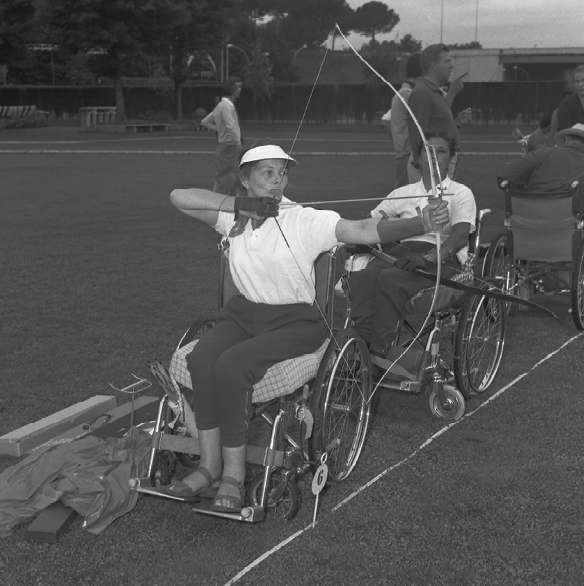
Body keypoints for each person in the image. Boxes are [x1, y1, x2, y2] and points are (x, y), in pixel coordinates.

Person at [167, 142, 450, 512]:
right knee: (202, 358)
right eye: (267, 173)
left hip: (297, 322)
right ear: (245, 179)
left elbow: (363, 229)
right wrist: (240, 206)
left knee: (231, 366)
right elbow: (178, 197)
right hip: (241, 316)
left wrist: (422, 223)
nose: (277, 182)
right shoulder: (232, 218)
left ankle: (232, 476)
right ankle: (209, 466)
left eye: (282, 173)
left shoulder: (303, 218)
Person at [349, 130, 476, 361]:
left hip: (442, 260)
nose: (434, 156)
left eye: (442, 151)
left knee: (390, 279)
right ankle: (359, 345)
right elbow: (371, 222)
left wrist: (430, 257)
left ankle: (380, 352)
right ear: (417, 159)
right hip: (400, 256)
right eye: (428, 151)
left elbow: (460, 236)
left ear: (452, 159)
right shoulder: (402, 193)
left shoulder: (461, 192)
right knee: (365, 276)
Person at [406, 45, 471, 184]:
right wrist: (422, 165)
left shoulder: (433, 91)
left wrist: (456, 123)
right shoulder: (422, 92)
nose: (451, 66)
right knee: (432, 204)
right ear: (434, 65)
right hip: (432, 166)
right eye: (447, 61)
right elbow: (417, 133)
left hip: (439, 161)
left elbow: (437, 123)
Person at [499, 123, 584, 193]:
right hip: (572, 212)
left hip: (532, 210)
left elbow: (507, 176)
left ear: (567, 138)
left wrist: (524, 193)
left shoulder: (542, 154)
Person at [201, 77, 243, 196]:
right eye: (238, 88)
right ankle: (217, 205)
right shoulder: (226, 106)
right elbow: (231, 126)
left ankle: (233, 205)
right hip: (228, 146)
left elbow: (205, 122)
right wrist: (238, 143)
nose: (239, 90)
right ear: (234, 91)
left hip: (225, 146)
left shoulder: (222, 105)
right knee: (225, 179)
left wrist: (220, 129)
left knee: (231, 177)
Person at [390, 53, 422, 189]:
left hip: (407, 153)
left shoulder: (405, 93)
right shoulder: (407, 94)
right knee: (404, 200)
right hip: (407, 154)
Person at [556, 65, 584, 132]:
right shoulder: (566, 104)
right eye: (577, 82)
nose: (580, 84)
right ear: (573, 84)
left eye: (583, 80)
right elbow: (563, 133)